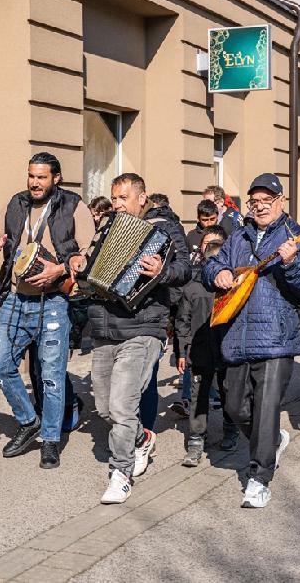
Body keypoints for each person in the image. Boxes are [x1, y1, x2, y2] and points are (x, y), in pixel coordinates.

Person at [204, 173, 300, 508]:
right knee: (234, 406)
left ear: (281, 201)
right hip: (236, 333)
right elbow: (211, 265)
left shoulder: (298, 236)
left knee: (266, 407)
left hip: (276, 336)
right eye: (254, 202)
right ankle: (272, 441)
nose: (259, 207)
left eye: (266, 202)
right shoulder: (238, 236)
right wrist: (219, 273)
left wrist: (292, 262)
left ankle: (259, 476)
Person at [0, 152, 96, 470]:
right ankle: (28, 420)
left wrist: (61, 268)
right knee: (2, 365)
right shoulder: (16, 203)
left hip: (54, 302)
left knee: (51, 376)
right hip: (15, 299)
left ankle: (50, 440)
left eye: (41, 177)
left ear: (56, 178)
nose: (34, 182)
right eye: (31, 176)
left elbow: (90, 253)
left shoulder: (74, 206)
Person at [87, 173, 190, 504]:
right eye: (114, 198)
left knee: (121, 405)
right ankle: (142, 438)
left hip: (144, 327)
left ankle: (121, 473)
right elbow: (91, 267)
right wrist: (79, 264)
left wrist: (162, 270)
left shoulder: (163, 227)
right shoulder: (105, 228)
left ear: (142, 198)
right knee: (103, 407)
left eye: (123, 198)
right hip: (105, 326)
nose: (117, 204)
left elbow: (185, 269)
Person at [176, 236, 239, 466]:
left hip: (227, 350)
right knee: (198, 396)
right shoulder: (192, 288)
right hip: (199, 351)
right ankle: (196, 440)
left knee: (229, 393)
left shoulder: (234, 287)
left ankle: (231, 430)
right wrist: (182, 352)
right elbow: (182, 321)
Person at [169, 224, 227, 418]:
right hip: (196, 338)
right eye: (206, 243)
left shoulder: (229, 278)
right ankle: (191, 410)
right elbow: (182, 315)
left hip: (223, 341)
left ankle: (228, 420)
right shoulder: (193, 278)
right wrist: (181, 349)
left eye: (214, 243)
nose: (209, 247)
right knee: (192, 367)